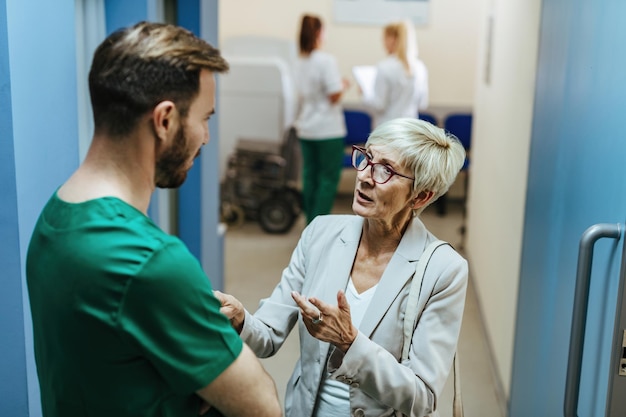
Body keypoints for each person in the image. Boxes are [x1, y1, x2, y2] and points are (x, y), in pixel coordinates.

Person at [25, 21, 281, 417]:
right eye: (205, 118)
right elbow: (262, 407)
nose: (206, 138)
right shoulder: (151, 261)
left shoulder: (55, 217)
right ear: (164, 120)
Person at [215, 117, 468, 416]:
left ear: (421, 196)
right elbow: (268, 336)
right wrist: (241, 318)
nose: (364, 176)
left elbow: (422, 398)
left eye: (385, 170)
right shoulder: (320, 233)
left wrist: (350, 342)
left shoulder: (444, 270)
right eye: (367, 158)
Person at [295, 14, 349, 224]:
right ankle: (318, 225)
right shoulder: (326, 60)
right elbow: (333, 95)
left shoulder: (299, 61)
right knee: (327, 179)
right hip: (328, 130)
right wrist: (343, 85)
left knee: (310, 176)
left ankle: (310, 220)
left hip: (306, 128)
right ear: (319, 33)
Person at [362, 20, 429, 128]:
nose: (383, 43)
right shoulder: (420, 67)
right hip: (410, 129)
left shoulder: (384, 66)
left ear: (392, 39)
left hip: (387, 128)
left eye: (384, 38)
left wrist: (365, 94)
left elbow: (379, 105)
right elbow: (423, 104)